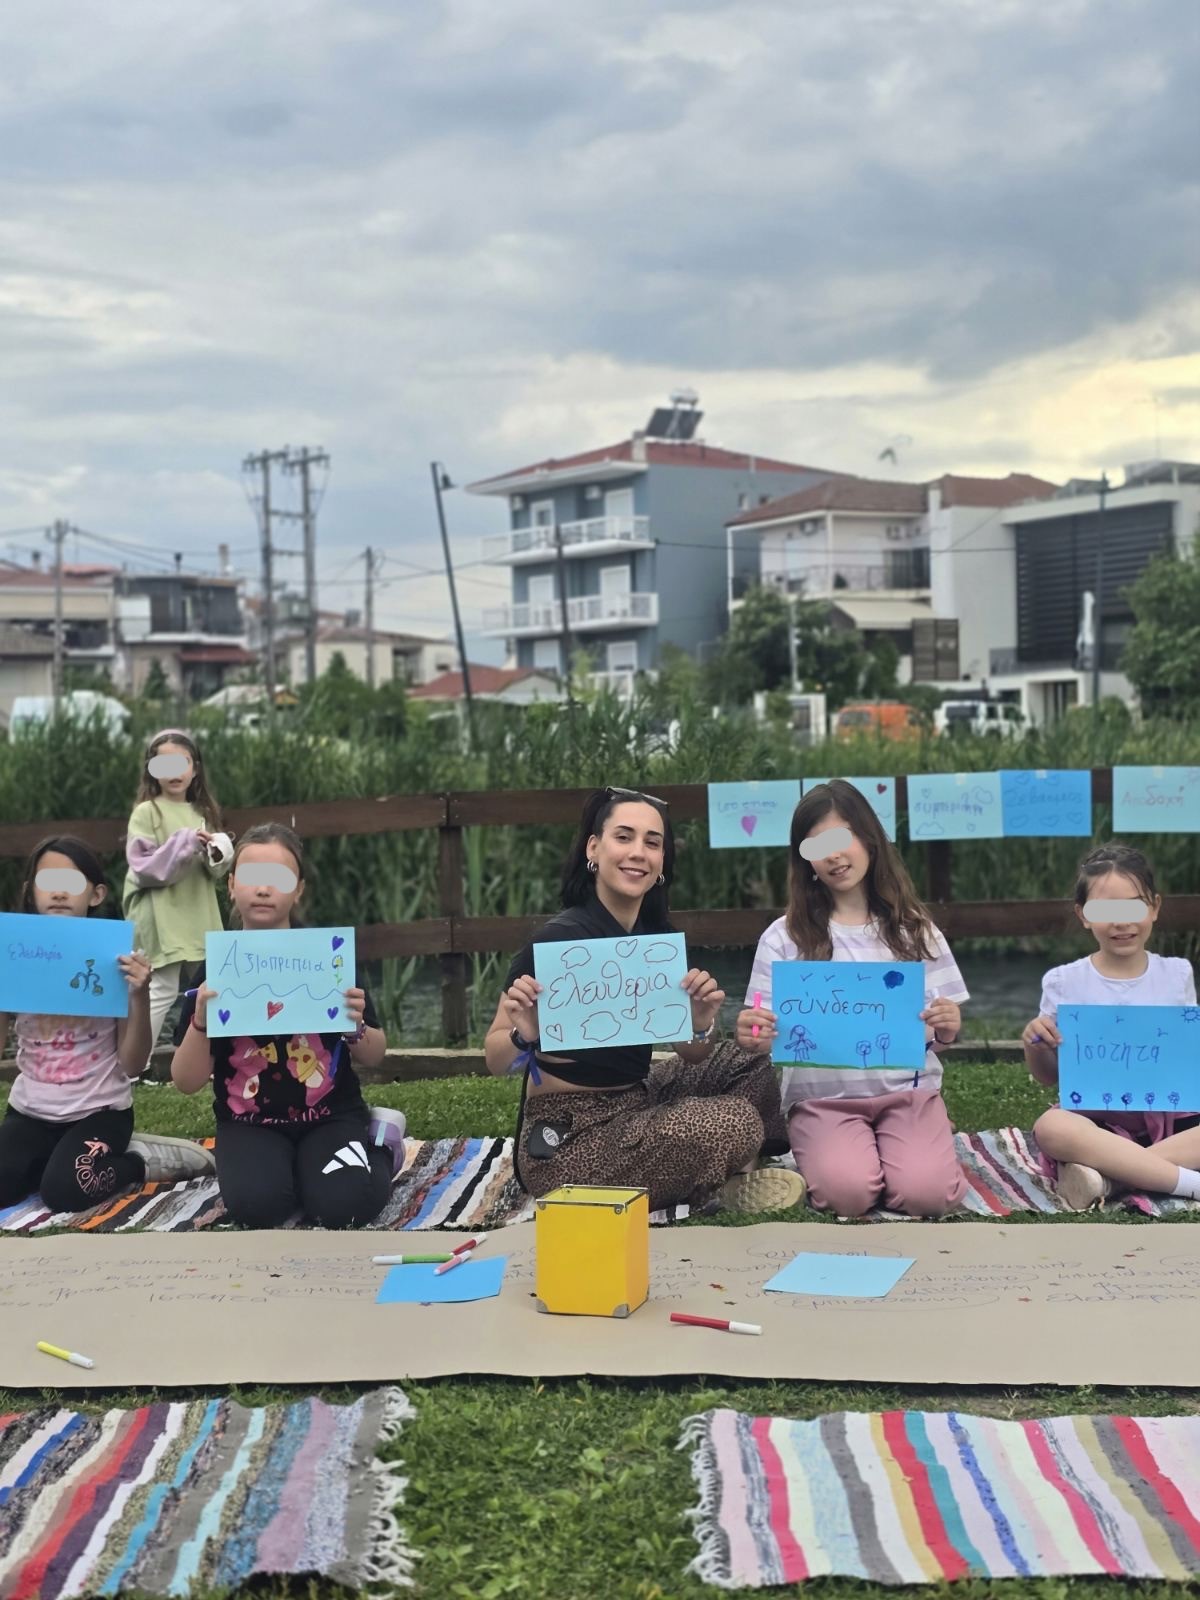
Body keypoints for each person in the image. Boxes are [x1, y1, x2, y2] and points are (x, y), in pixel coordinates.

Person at [484, 786, 805, 1214]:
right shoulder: (557, 942)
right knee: (734, 1120)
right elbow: (494, 1059)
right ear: (593, 848)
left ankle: (727, 1169)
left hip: (638, 1097)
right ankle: (722, 1179)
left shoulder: (655, 943)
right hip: (570, 1136)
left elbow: (693, 1054)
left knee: (744, 1060)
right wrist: (524, 1036)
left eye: (652, 843)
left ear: (662, 863)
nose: (638, 852)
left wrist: (699, 1023)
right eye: (624, 837)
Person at [736, 779, 969, 1218]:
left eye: (842, 838)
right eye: (816, 846)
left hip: (908, 1095)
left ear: (869, 839)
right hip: (822, 1102)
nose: (833, 855)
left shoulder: (915, 930)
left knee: (928, 1195)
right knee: (848, 1194)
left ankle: (922, 1143)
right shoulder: (783, 938)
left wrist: (947, 1027)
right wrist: (753, 1033)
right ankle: (868, 1156)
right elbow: (760, 1028)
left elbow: (939, 1035)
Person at [170, 822, 401, 1228]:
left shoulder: (326, 958)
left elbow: (375, 1054)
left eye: (279, 879)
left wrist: (356, 1027)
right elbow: (186, 1080)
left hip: (330, 1115)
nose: (263, 889)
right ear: (231, 886)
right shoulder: (216, 969)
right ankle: (292, 1173)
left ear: (299, 890)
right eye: (251, 877)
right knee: (258, 1209)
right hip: (248, 1122)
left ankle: (381, 1145)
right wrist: (201, 1023)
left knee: (345, 1207)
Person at [0, 835, 216, 1212]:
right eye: (47, 882)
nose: (59, 893)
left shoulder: (114, 961)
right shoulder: (16, 956)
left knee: (66, 1191)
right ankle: (52, 1161)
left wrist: (138, 994)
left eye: (71, 883)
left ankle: (140, 1161)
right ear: (29, 891)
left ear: (96, 894)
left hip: (100, 1112)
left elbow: (131, 1064)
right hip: (30, 1111)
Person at [1022, 842, 1200, 1211]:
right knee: (1051, 1128)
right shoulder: (1063, 981)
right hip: (1095, 1121)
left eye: (1134, 906)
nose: (1121, 922)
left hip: (1169, 1116)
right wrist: (1035, 1043)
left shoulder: (1176, 974)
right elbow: (1047, 1076)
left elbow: (1184, 1058)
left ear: (1154, 907)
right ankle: (1187, 1182)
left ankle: (1110, 1179)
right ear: (1083, 914)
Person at [122, 727, 234, 1068]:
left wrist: (218, 850)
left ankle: (222, 1061)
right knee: (161, 990)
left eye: (181, 763)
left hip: (198, 912)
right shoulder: (147, 813)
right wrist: (185, 842)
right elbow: (144, 867)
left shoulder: (203, 813)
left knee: (215, 985)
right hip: (162, 916)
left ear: (194, 769)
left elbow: (215, 871)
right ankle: (134, 1065)